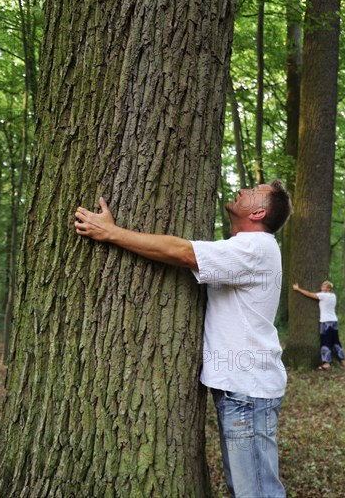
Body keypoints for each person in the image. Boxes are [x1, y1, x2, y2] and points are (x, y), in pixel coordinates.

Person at [74, 179, 292, 498]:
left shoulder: (255, 247)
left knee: (257, 492)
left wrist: (111, 232)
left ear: (259, 212)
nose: (243, 190)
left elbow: (183, 252)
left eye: (253, 192)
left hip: (248, 393)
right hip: (243, 390)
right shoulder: (248, 248)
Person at [292, 281, 345, 370]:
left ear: (329, 289)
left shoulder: (323, 295)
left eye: (325, 287)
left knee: (326, 342)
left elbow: (309, 294)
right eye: (322, 286)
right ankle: (342, 360)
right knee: (336, 341)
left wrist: (298, 289)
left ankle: (326, 363)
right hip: (334, 321)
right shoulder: (333, 296)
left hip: (325, 322)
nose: (322, 288)